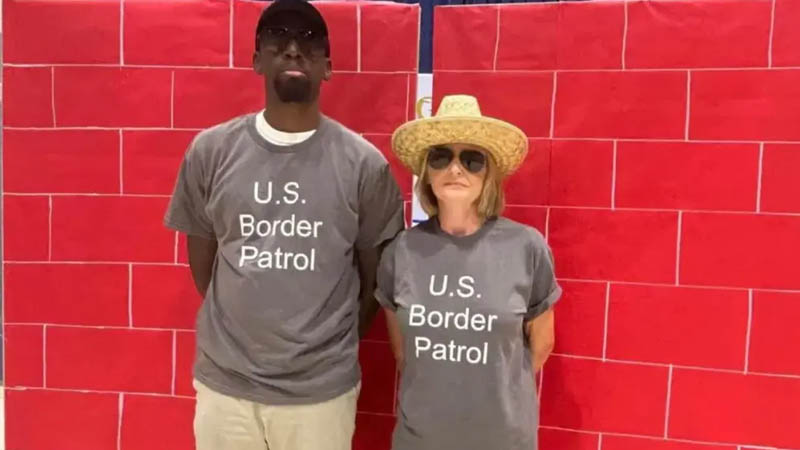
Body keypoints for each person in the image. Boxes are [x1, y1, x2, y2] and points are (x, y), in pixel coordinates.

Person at [163, 0, 404, 449]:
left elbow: (376, 281)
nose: (294, 49)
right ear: (257, 60)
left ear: (328, 68)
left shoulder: (363, 166)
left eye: (310, 42)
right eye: (278, 38)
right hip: (226, 386)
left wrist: (323, 349)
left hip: (319, 395)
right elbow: (204, 266)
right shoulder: (210, 152)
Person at [376, 95, 561, 450]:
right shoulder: (401, 252)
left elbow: (542, 343)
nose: (455, 169)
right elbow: (404, 353)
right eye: (441, 157)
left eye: (472, 160)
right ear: (427, 173)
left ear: (488, 174)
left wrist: (494, 394)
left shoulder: (527, 247)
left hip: (503, 440)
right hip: (421, 439)